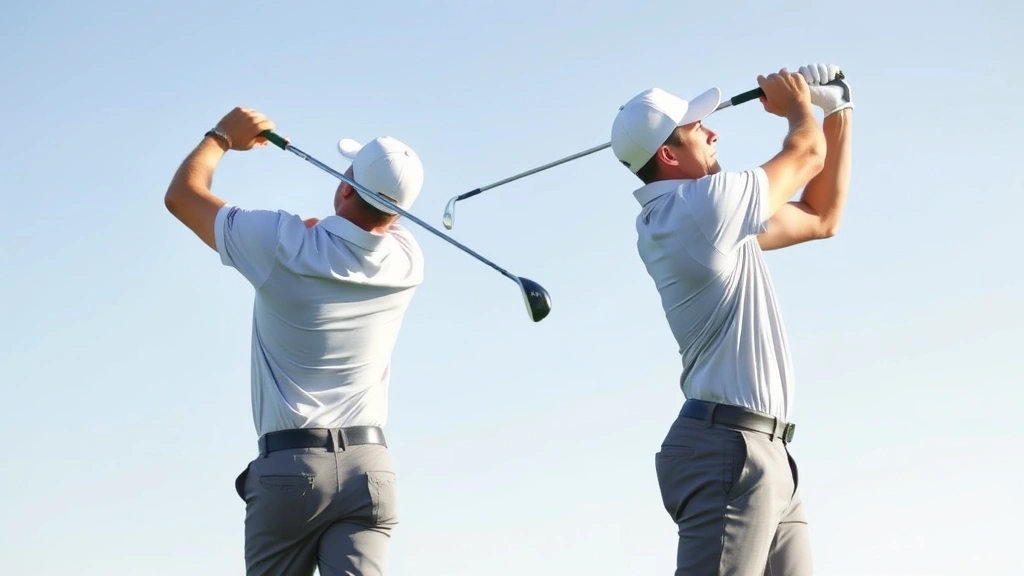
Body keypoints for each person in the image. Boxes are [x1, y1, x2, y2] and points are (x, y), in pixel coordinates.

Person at [609, 63, 853, 574]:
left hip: (767, 454)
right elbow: (805, 154)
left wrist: (838, 110)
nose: (713, 132)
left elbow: (821, 216)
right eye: (698, 128)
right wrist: (797, 106)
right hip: (730, 452)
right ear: (669, 155)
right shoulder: (700, 210)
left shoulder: (703, 216)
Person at [163, 106, 427, 576]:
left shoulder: (281, 242)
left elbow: (182, 196)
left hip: (292, 471)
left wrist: (222, 136)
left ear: (345, 187)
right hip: (372, 470)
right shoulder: (409, 259)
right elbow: (375, 225)